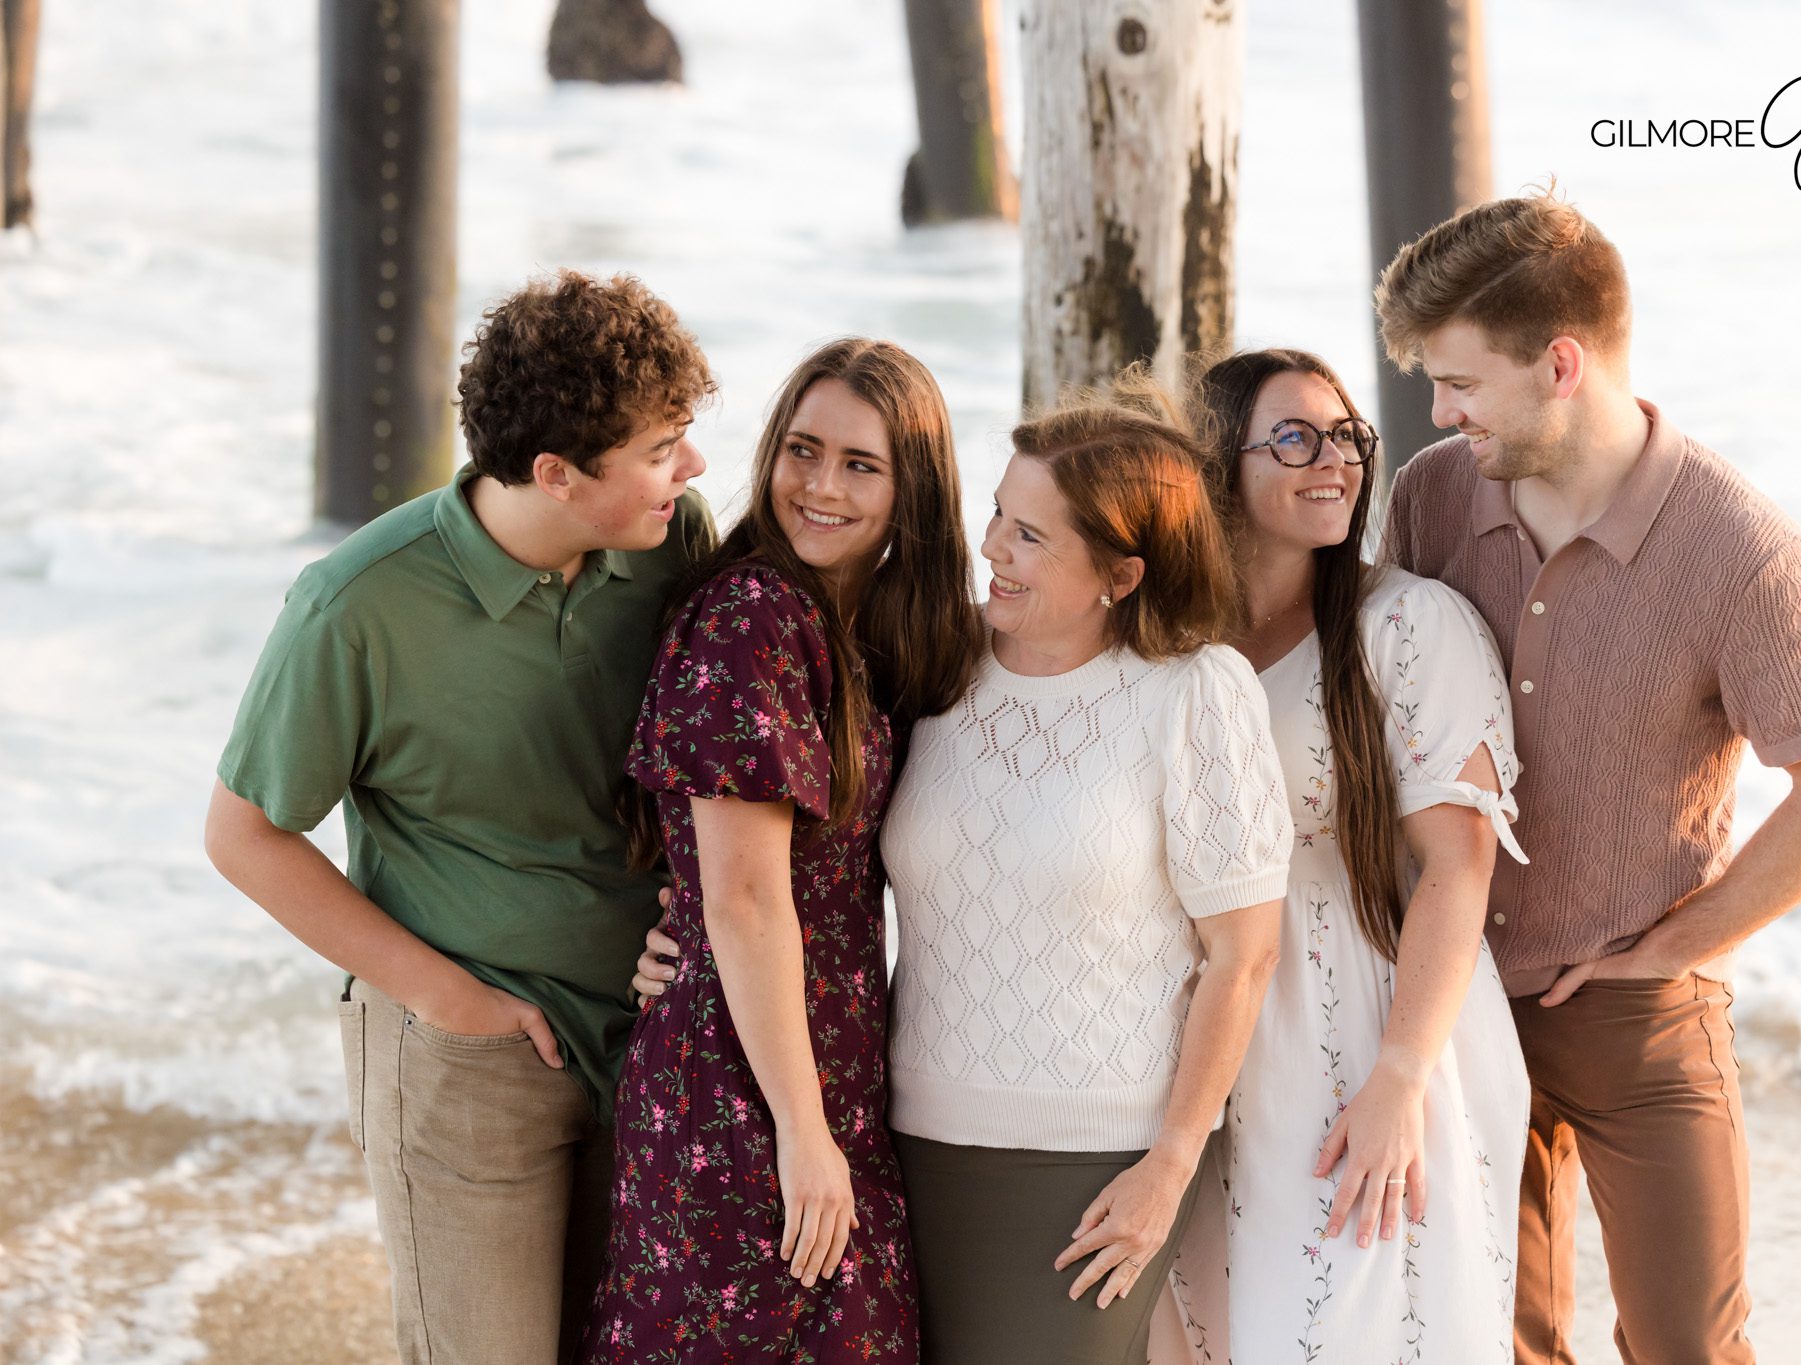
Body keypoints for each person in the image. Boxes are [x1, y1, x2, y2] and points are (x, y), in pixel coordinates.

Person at [1375, 188, 1801, 1365]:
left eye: (1459, 383)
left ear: (1559, 363)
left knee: (1687, 1350)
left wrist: (1667, 950)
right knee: (1482, 1345)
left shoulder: (1740, 551)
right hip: (1454, 1004)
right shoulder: (1433, 496)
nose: (1440, 413)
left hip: (1641, 1017)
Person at [205, 270, 719, 1364]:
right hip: (466, 1055)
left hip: (653, 1039)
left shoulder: (670, 542)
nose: (693, 466)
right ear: (557, 474)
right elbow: (245, 833)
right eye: (662, 447)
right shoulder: (355, 606)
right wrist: (449, 999)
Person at [579, 338, 981, 1364]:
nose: (819, 487)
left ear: (913, 493)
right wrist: (804, 1135)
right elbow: (746, 903)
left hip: (822, 1075)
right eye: (802, 451)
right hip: (737, 1091)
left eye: (860, 465)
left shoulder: (852, 628)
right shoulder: (750, 619)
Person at [880, 375, 1292, 1365]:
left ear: (1119, 571)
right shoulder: (938, 663)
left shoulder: (1193, 692)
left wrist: (1170, 1163)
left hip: (1095, 1159)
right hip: (905, 1134)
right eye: (996, 516)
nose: (990, 550)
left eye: (1030, 536)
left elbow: (1241, 957)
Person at [1151, 347, 1533, 1364]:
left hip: (1366, 1036)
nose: (1334, 461)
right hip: (1198, 1044)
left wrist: (1398, 1081)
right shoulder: (1166, 637)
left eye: (1348, 436)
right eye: (1293, 437)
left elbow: (1458, 871)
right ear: (1211, 463)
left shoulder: (1407, 626)